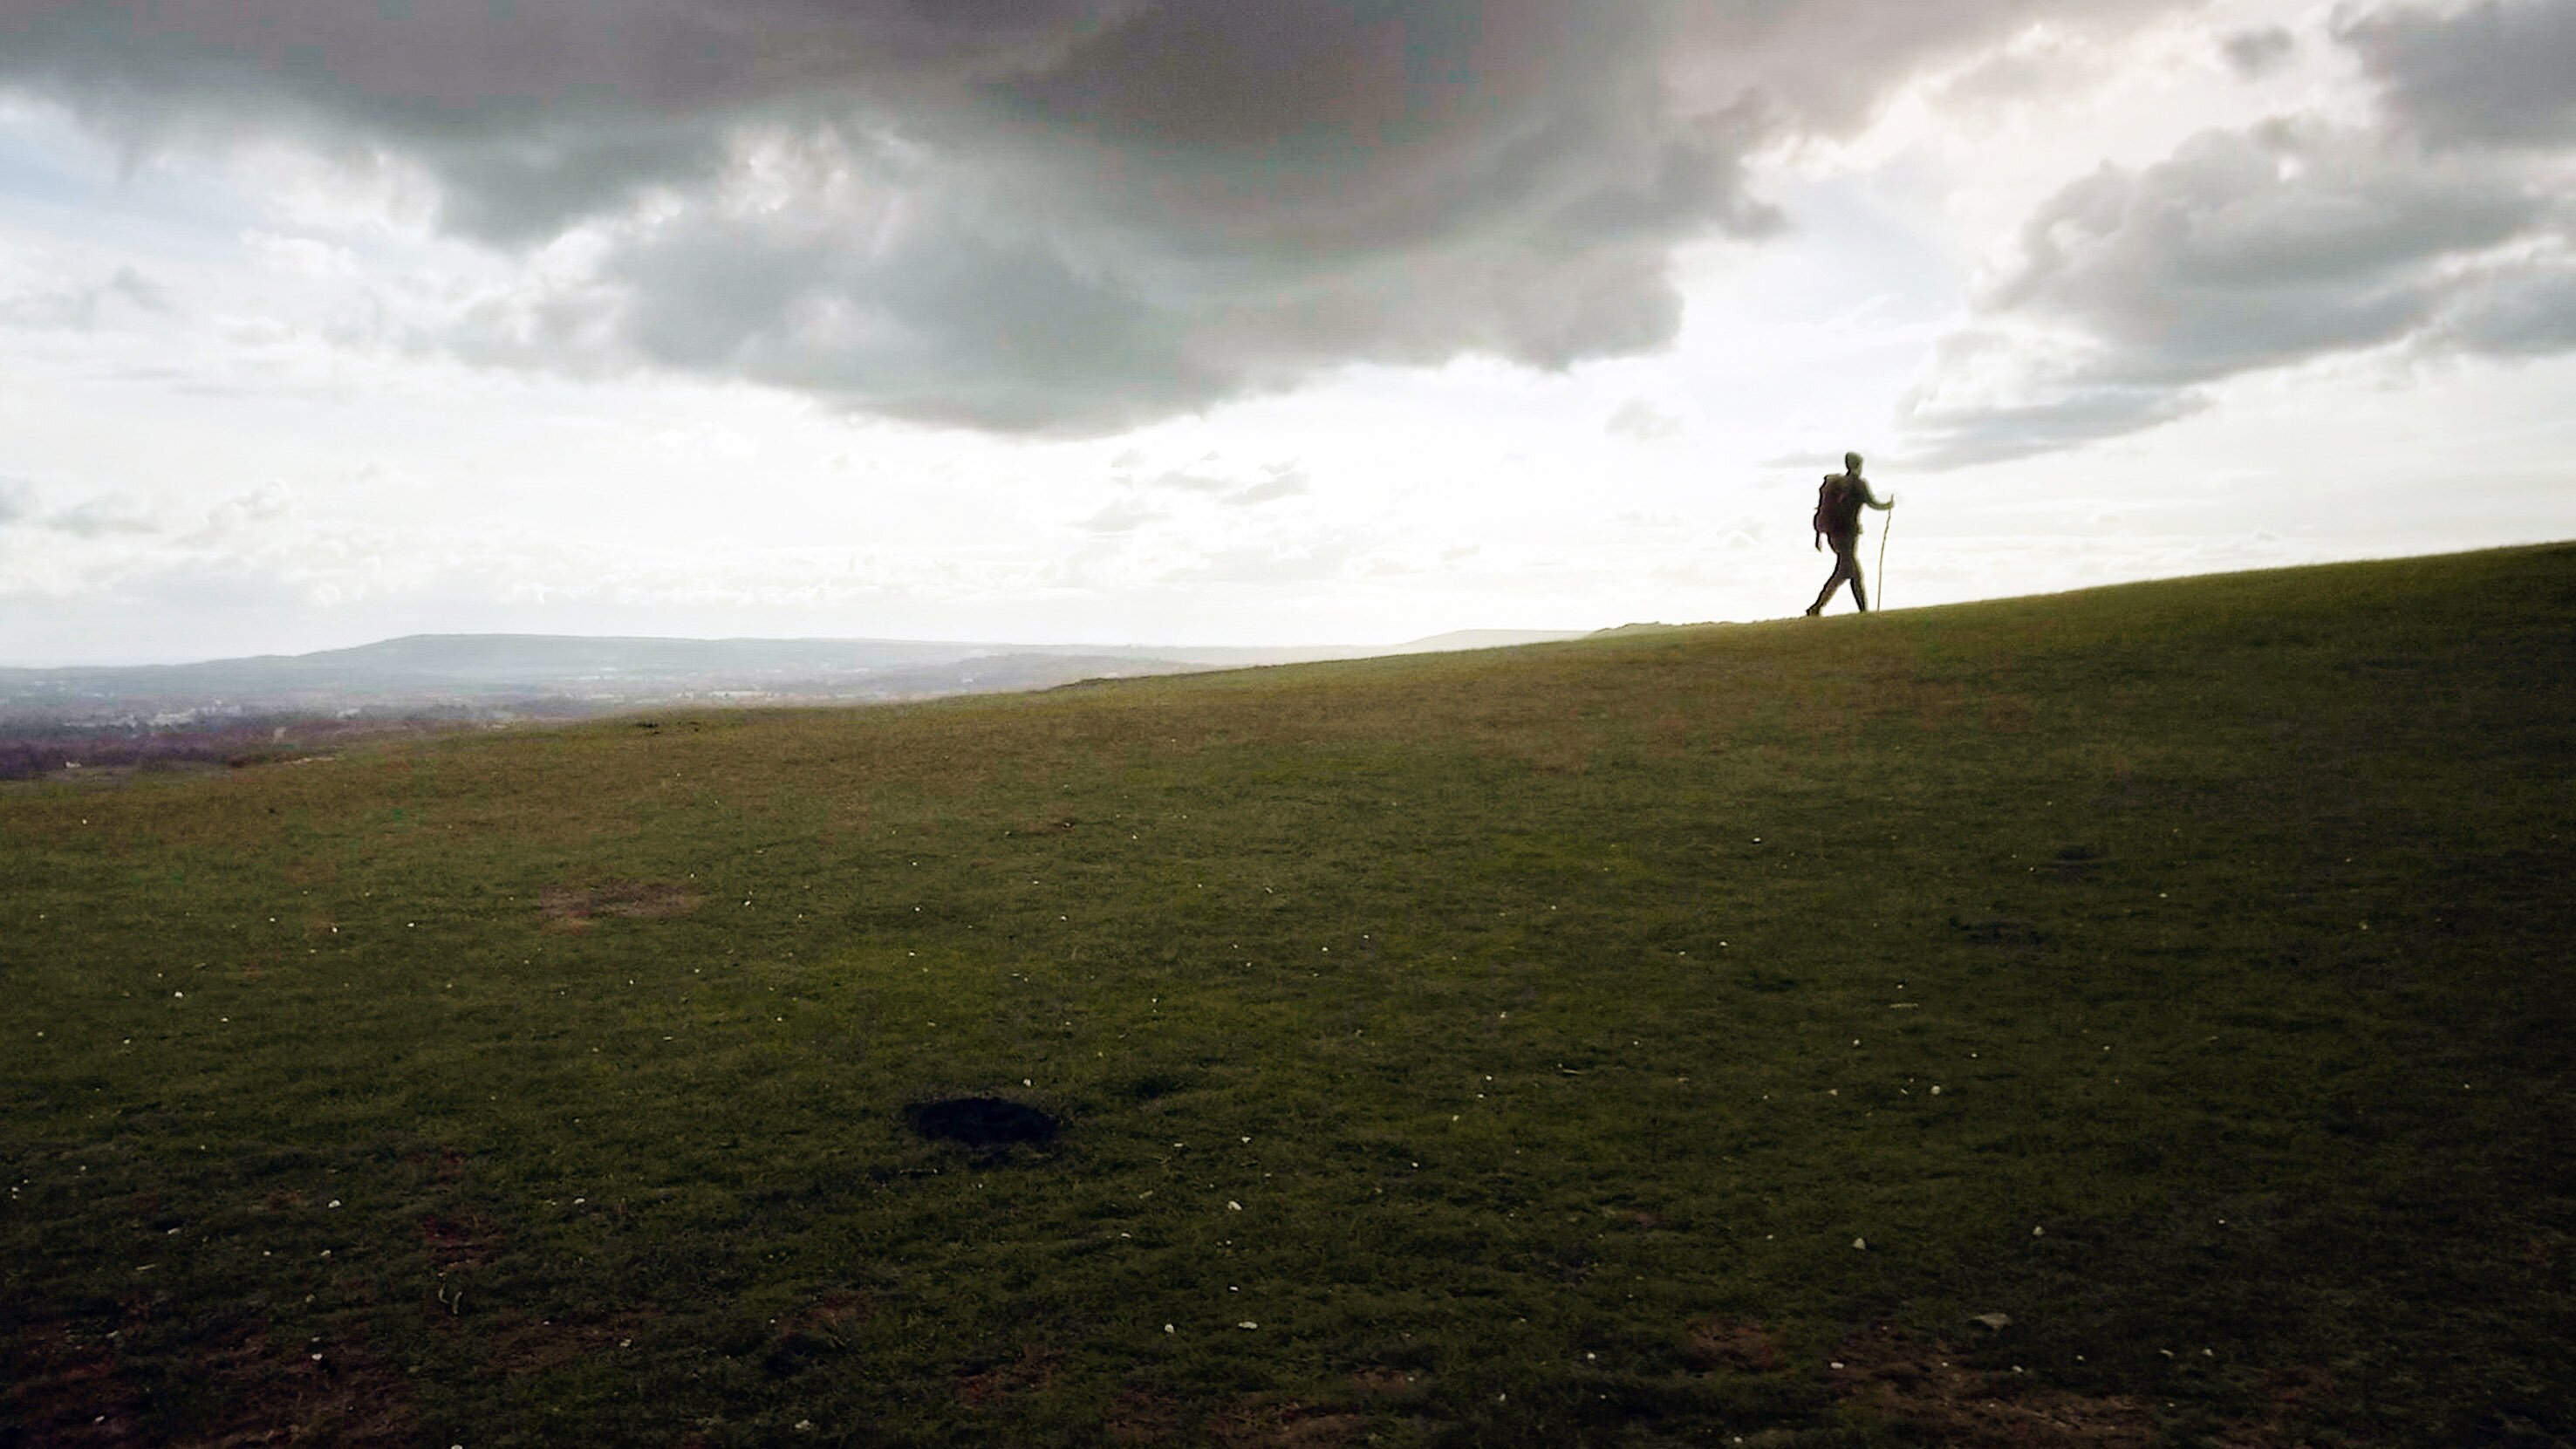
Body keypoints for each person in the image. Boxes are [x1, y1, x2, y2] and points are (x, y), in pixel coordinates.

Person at [1806, 451, 1894, 616]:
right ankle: (1816, 607)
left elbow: (1822, 509)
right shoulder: (1857, 484)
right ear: (1859, 465)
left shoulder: (1837, 484)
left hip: (1833, 535)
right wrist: (1888, 505)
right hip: (1848, 534)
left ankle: (1862, 611)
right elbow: (1873, 503)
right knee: (1846, 572)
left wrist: (1818, 537)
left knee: (1851, 573)